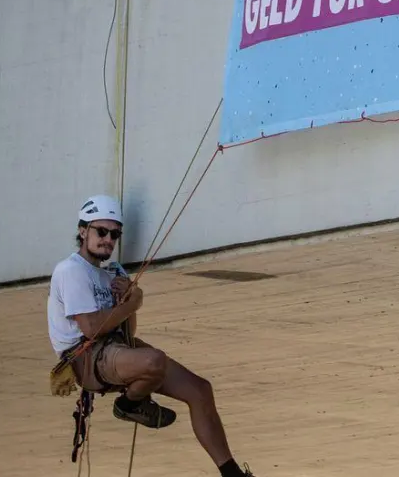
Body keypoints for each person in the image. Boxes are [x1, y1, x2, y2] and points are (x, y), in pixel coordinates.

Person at [48, 196, 254, 477]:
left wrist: (130, 301)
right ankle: (129, 404)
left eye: (114, 234)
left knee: (200, 390)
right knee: (154, 360)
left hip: (116, 349)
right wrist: (133, 303)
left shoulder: (113, 272)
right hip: (87, 355)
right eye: (101, 231)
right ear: (83, 231)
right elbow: (91, 328)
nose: (108, 239)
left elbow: (128, 333)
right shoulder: (71, 270)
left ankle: (231, 473)